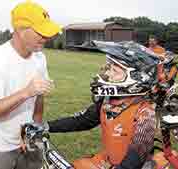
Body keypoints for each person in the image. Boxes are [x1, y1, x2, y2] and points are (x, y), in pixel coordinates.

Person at [28, 41, 160, 169]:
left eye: (115, 71)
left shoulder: (145, 112)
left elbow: (138, 152)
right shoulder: (108, 101)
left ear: (136, 79)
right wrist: (45, 126)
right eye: (109, 68)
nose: (108, 74)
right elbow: (82, 120)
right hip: (106, 161)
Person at [0, 1, 61, 169]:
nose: (46, 38)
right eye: (41, 32)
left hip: (28, 140)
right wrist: (26, 92)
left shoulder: (39, 58)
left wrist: (35, 130)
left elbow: (39, 97)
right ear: (21, 30)